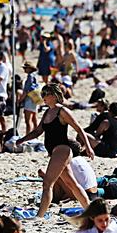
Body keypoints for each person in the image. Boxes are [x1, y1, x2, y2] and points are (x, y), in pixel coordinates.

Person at [16, 83, 94, 217]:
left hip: (62, 150)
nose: (43, 98)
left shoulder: (62, 111)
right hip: (55, 151)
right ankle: (90, 211)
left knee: (47, 184)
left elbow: (79, 129)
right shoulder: (47, 112)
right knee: (72, 184)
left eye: (45, 95)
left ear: (53, 95)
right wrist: (22, 139)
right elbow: (38, 131)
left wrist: (89, 147)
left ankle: (39, 216)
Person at [18, 61, 40, 133]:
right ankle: (36, 135)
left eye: (25, 68)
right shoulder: (36, 76)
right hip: (36, 99)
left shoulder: (30, 77)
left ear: (30, 68)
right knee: (34, 119)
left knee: (28, 121)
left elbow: (26, 91)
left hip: (29, 100)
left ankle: (28, 135)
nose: (24, 69)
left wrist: (20, 100)